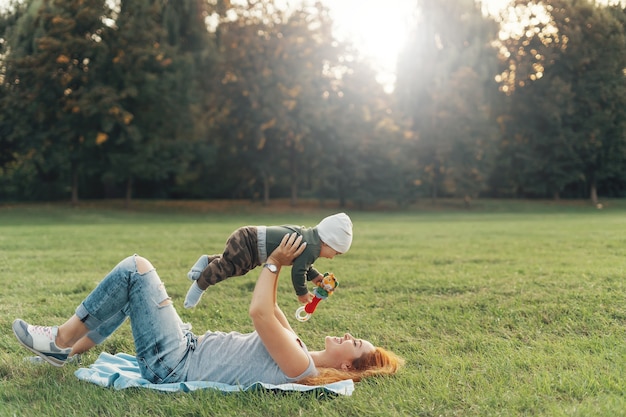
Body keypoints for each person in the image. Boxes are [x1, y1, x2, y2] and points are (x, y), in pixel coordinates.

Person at [13, 233, 403, 386]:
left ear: (348, 367)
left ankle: (60, 339)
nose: (348, 336)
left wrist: (272, 264)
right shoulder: (298, 346)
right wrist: (283, 261)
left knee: (137, 268)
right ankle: (66, 351)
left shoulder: (302, 366)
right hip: (185, 345)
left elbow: (260, 314)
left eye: (354, 344)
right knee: (136, 292)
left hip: (175, 362)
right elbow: (271, 303)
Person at [184, 212, 353, 308]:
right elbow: (298, 271)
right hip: (250, 243)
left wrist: (315, 277)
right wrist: (302, 293)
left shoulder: (311, 239)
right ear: (329, 241)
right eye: (336, 253)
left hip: (249, 239)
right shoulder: (312, 247)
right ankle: (199, 286)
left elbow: (304, 265)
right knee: (228, 268)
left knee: (233, 266)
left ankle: (207, 260)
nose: (332, 257)